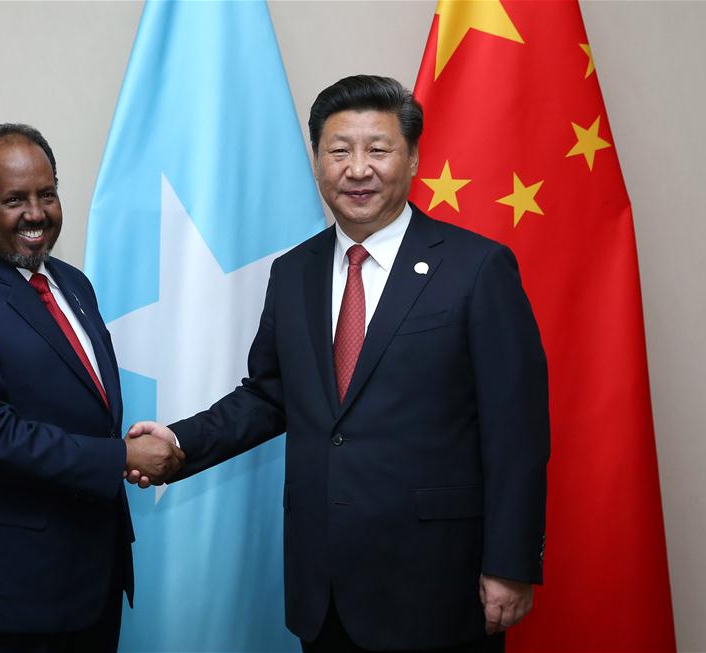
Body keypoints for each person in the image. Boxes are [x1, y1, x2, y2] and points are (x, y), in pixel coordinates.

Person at [128, 76, 549, 652]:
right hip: (323, 587)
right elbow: (270, 394)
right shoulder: (294, 272)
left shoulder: (477, 268)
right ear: (318, 160)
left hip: (438, 584)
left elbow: (517, 430)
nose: (358, 169)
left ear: (414, 156)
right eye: (339, 150)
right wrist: (179, 442)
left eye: (378, 149)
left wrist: (510, 562)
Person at [0, 123, 184, 653]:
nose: (36, 213)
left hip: (91, 575)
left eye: (47, 194)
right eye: (14, 199)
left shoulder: (72, 284)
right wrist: (118, 457)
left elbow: (83, 405)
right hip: (8, 591)